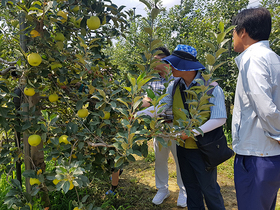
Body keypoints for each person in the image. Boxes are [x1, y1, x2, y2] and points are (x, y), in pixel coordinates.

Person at [138, 44, 227, 209]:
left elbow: (220, 118)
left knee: (209, 190)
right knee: (191, 189)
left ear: (185, 66)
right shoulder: (175, 86)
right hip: (183, 147)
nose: (170, 67)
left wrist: (192, 132)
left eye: (174, 63)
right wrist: (136, 115)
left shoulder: (210, 87)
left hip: (203, 149)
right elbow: (161, 107)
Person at [231, 7, 280, 210]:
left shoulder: (253, 59)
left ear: (243, 32)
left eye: (234, 31)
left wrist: (278, 134)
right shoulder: (273, 58)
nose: (232, 36)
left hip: (256, 155)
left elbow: (265, 108)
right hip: (268, 155)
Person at [143, 47, 187, 207]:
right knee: (160, 160)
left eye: (155, 60)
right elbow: (147, 100)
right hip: (160, 127)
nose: (152, 63)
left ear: (164, 60)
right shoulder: (152, 80)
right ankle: (162, 189)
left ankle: (183, 191)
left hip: (176, 126)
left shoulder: (178, 77)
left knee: (180, 160)